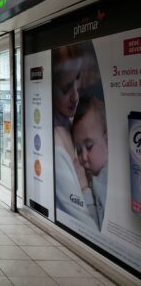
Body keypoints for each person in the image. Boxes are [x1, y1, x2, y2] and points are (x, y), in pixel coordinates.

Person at [52, 45, 98, 230]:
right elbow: (89, 227)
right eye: (65, 88)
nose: (75, 96)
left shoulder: (68, 124)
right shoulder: (57, 148)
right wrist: (86, 190)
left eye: (77, 78)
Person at [72, 95, 108, 230]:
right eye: (80, 150)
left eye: (89, 146)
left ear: (107, 140)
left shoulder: (103, 180)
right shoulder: (96, 176)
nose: (84, 157)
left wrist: (84, 190)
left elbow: (95, 228)